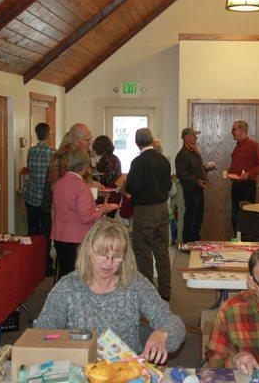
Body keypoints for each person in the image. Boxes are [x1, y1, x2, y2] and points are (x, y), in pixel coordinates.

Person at [35, 218, 185, 364]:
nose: (109, 262)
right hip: (81, 371)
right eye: (102, 254)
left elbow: (174, 323)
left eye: (117, 256)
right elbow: (41, 334)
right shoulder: (68, 287)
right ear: (88, 250)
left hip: (126, 371)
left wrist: (162, 334)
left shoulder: (134, 283)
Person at [51, 148, 118, 279]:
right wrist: (102, 210)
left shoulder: (58, 184)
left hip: (59, 236)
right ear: (84, 167)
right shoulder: (81, 188)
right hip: (77, 238)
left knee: (64, 273)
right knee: (78, 275)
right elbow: (86, 217)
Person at [126, 128, 173, 301]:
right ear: (152, 140)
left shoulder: (138, 162)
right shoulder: (163, 160)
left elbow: (132, 187)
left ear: (137, 142)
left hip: (145, 210)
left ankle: (147, 293)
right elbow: (168, 185)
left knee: (143, 251)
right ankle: (165, 289)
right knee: (162, 251)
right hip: (162, 208)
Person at [24, 123, 56, 275]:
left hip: (31, 196)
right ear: (48, 134)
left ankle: (31, 263)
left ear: (36, 134)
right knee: (46, 233)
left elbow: (30, 170)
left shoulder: (31, 151)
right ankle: (45, 265)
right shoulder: (53, 153)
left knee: (32, 231)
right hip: (45, 199)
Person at [42, 123, 93, 213]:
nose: (90, 143)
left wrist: (93, 186)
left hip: (78, 209)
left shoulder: (82, 155)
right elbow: (57, 190)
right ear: (76, 141)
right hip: (64, 212)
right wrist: (88, 187)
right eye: (87, 140)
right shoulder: (61, 157)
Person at [228, 120, 259, 233]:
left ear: (242, 130)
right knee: (235, 216)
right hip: (236, 186)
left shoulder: (253, 145)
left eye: (234, 129)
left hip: (247, 187)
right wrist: (229, 173)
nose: (232, 132)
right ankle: (238, 242)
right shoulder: (237, 147)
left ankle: (246, 243)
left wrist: (249, 174)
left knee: (246, 217)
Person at [175, 127, 208, 243]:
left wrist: (207, 168)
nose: (196, 137)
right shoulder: (182, 154)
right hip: (190, 191)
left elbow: (196, 170)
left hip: (198, 189)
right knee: (191, 218)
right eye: (194, 135)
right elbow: (182, 174)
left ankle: (195, 241)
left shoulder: (194, 152)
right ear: (186, 137)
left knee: (199, 217)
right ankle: (188, 243)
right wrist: (196, 181)